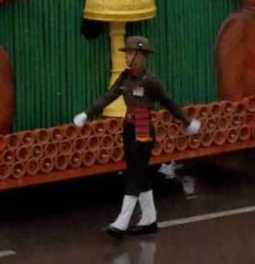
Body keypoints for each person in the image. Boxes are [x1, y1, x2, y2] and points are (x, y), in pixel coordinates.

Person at [73, 36, 200, 236]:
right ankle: (149, 219)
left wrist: (187, 122)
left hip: (142, 125)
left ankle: (122, 221)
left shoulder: (150, 80)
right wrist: (87, 114)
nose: (127, 57)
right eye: (127, 53)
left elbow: (169, 103)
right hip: (129, 126)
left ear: (141, 56)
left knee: (133, 175)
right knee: (138, 172)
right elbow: (109, 96)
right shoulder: (125, 78)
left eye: (131, 53)